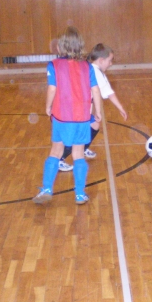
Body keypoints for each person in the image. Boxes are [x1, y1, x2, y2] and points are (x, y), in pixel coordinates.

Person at [33, 27, 103, 205]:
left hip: (62, 117)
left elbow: (52, 88)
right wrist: (98, 112)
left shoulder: (54, 65)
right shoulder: (87, 66)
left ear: (60, 47)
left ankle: (47, 189)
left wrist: (48, 106)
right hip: (82, 117)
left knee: (56, 151)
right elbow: (95, 90)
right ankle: (79, 194)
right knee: (78, 154)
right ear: (80, 46)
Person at [58, 43, 128, 172]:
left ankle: (83, 149)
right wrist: (120, 108)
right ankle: (59, 159)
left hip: (74, 106)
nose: (111, 64)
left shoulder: (91, 68)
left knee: (95, 124)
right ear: (101, 60)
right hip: (76, 109)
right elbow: (109, 93)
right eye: (110, 60)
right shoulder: (96, 72)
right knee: (77, 135)